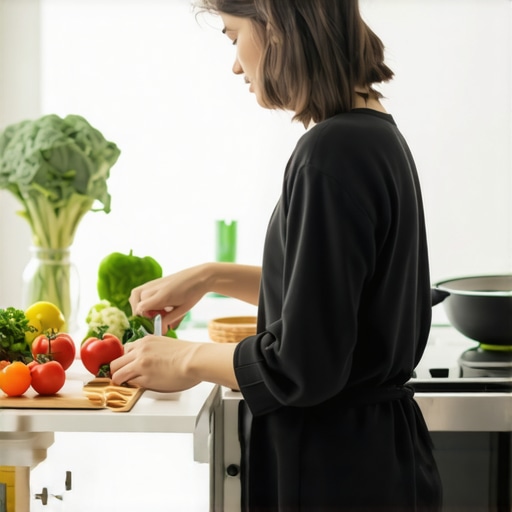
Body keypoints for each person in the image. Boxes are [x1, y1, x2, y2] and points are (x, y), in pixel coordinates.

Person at [110, 1, 443, 510]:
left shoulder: (330, 152)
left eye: (233, 35)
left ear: (278, 28)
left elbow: (302, 364)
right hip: (372, 460)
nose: (237, 64)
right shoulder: (373, 135)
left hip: (336, 473)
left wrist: (188, 358)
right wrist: (211, 276)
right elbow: (333, 294)